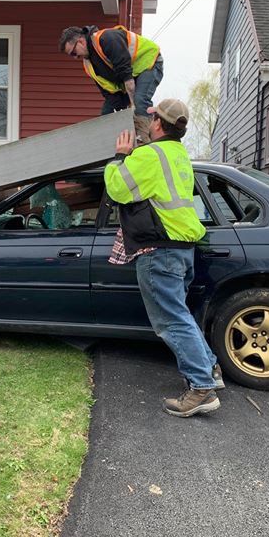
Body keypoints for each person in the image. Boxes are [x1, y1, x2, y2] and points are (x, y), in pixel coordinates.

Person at [104, 98, 224, 417]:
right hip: (182, 248)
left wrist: (120, 157)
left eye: (153, 118)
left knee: (171, 321)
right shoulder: (179, 154)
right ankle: (210, 370)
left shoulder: (150, 155)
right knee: (181, 316)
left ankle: (201, 389)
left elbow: (117, 189)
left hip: (160, 251)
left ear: (157, 124)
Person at [59, 25, 163, 144]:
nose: (75, 57)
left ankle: (144, 140)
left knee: (140, 101)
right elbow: (108, 92)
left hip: (149, 64)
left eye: (74, 52)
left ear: (81, 41)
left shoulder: (106, 39)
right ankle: (110, 146)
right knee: (107, 111)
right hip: (130, 77)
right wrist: (117, 109)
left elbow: (126, 74)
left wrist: (132, 105)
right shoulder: (89, 65)